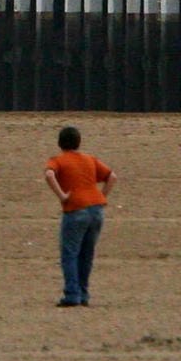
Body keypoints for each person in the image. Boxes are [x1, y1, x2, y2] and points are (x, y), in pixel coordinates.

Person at [44, 125, 117, 307]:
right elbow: (112, 177)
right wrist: (102, 196)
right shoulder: (90, 159)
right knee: (87, 254)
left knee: (70, 254)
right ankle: (83, 294)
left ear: (60, 143)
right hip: (96, 210)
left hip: (75, 209)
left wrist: (61, 195)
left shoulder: (58, 160)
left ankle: (72, 295)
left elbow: (49, 174)